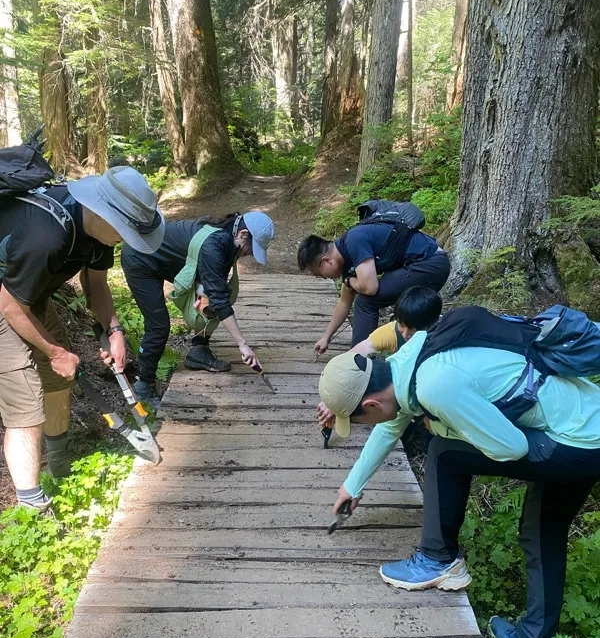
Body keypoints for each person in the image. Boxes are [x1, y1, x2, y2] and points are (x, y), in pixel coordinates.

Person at [317, 318, 600, 638]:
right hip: (588, 421)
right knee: (543, 530)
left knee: (444, 452)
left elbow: (510, 447)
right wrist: (353, 484)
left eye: (359, 422)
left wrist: (438, 425)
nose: (366, 426)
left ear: (371, 404)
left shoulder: (435, 386)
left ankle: (438, 559)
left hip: (571, 440)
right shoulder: (410, 360)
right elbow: (394, 420)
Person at [0, 166, 164, 512]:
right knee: (27, 405)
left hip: (31, 297)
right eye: (124, 231)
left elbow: (97, 286)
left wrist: (114, 331)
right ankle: (34, 506)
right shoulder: (46, 236)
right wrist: (55, 351)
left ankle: (57, 465)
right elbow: (11, 305)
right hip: (8, 301)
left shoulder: (98, 233)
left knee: (58, 384)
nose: (124, 239)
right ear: (102, 212)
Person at [121, 211, 275, 406]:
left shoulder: (228, 240)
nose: (251, 254)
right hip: (140, 258)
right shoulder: (214, 246)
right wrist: (242, 344)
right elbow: (219, 301)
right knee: (158, 325)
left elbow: (216, 293)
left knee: (212, 302)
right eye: (251, 248)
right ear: (243, 234)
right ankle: (144, 386)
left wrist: (207, 300)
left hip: (168, 261)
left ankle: (198, 351)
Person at [297, 221, 449, 352]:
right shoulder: (345, 254)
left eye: (319, 273)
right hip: (423, 264)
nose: (323, 277)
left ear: (326, 260)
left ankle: (358, 360)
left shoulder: (354, 241)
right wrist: (326, 338)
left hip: (430, 263)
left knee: (366, 301)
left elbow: (370, 287)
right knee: (371, 298)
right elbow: (344, 301)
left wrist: (350, 282)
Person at [317, 286, 442, 427]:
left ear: (433, 325)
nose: (406, 334)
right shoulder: (392, 332)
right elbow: (353, 356)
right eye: (401, 325)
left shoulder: (439, 343)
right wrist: (337, 396)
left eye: (414, 329)